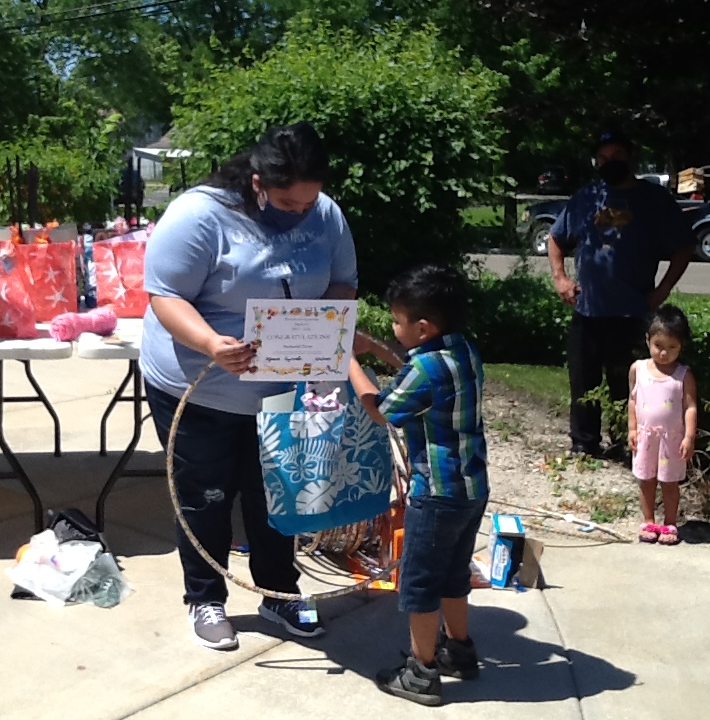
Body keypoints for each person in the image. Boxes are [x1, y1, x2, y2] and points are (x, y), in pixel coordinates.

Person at [139, 121, 358, 651]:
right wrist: (213, 344)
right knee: (206, 494)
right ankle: (206, 597)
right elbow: (164, 294)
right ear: (258, 182)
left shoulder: (324, 213)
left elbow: (342, 282)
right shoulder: (200, 215)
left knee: (279, 492)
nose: (300, 213)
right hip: (201, 383)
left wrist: (322, 335)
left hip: (282, 386)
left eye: (308, 203)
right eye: (287, 202)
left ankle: (280, 592)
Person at [348, 263, 488, 707]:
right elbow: (409, 367)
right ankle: (459, 650)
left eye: (397, 321)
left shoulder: (426, 370)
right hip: (471, 489)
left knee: (421, 584)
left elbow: (382, 409)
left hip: (437, 493)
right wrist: (375, 347)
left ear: (423, 327)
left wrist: (348, 361)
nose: (394, 327)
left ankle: (421, 671)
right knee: (453, 575)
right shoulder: (463, 351)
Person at [548, 130, 696, 459]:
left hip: (633, 310)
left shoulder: (653, 200)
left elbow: (684, 247)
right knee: (583, 383)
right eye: (602, 158)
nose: (608, 162)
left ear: (630, 157)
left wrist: (663, 289)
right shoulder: (586, 197)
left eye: (616, 156)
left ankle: (625, 444)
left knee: (628, 384)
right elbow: (555, 238)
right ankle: (583, 445)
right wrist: (560, 277)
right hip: (588, 310)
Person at [628, 305, 697, 546]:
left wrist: (689, 437)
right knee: (646, 480)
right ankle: (648, 520)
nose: (664, 353)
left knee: (669, 482)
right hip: (646, 438)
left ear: (681, 346)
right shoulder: (639, 369)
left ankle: (669, 522)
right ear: (648, 340)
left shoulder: (682, 374)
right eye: (659, 346)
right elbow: (633, 400)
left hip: (672, 440)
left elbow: (690, 407)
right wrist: (632, 429)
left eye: (672, 347)